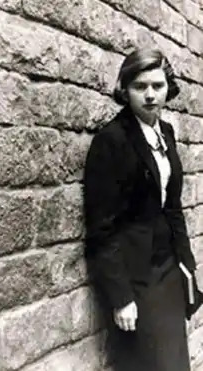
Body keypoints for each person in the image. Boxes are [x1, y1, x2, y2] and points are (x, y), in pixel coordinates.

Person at [83, 48, 202, 371]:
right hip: (136, 274)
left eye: (157, 86)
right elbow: (100, 229)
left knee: (177, 360)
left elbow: (173, 207)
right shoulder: (112, 140)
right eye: (140, 87)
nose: (150, 95)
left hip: (168, 269)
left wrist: (188, 269)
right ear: (125, 89)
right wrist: (121, 296)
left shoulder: (166, 133)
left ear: (169, 88)